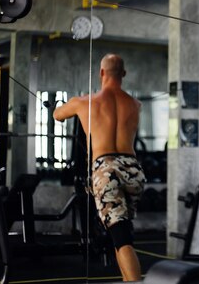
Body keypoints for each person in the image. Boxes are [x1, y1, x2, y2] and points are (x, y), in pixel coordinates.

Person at [54, 54, 146, 282]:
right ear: (123, 74)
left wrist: (62, 107)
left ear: (101, 73)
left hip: (107, 169)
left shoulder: (83, 102)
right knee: (121, 233)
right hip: (134, 170)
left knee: (122, 238)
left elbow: (58, 115)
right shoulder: (136, 104)